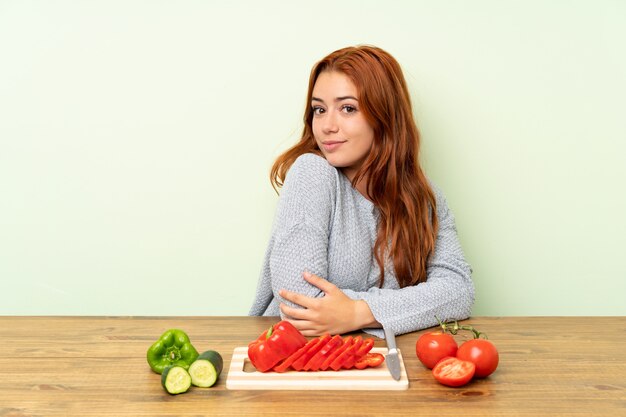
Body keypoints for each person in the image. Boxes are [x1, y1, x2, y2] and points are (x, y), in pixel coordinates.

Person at [249, 45, 474, 338]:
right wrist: (409, 307)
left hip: (376, 363)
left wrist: (357, 312)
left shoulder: (424, 195)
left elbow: (458, 291)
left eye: (348, 108)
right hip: (295, 361)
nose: (327, 126)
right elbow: (299, 304)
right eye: (319, 109)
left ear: (384, 115)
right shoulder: (312, 173)